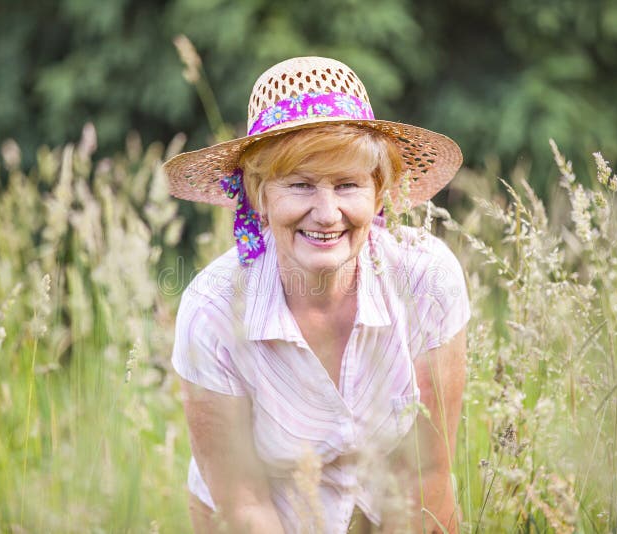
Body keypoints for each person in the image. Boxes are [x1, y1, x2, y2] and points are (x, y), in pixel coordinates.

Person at [164, 56, 470, 534]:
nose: (327, 214)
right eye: (301, 185)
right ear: (260, 196)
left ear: (377, 190)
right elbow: (244, 504)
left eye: (347, 185)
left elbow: (427, 475)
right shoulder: (214, 310)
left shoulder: (426, 279)